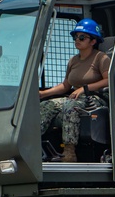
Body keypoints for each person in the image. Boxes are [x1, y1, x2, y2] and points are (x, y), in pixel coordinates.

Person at [39, 18, 110, 163]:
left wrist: (85, 89)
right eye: (75, 36)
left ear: (93, 41)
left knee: (70, 107)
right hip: (75, 95)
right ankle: (35, 145)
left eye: (82, 37)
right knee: (45, 106)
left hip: (94, 97)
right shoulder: (73, 61)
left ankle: (69, 151)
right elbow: (66, 85)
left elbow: (108, 80)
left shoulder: (100, 58)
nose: (77, 39)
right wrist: (43, 94)